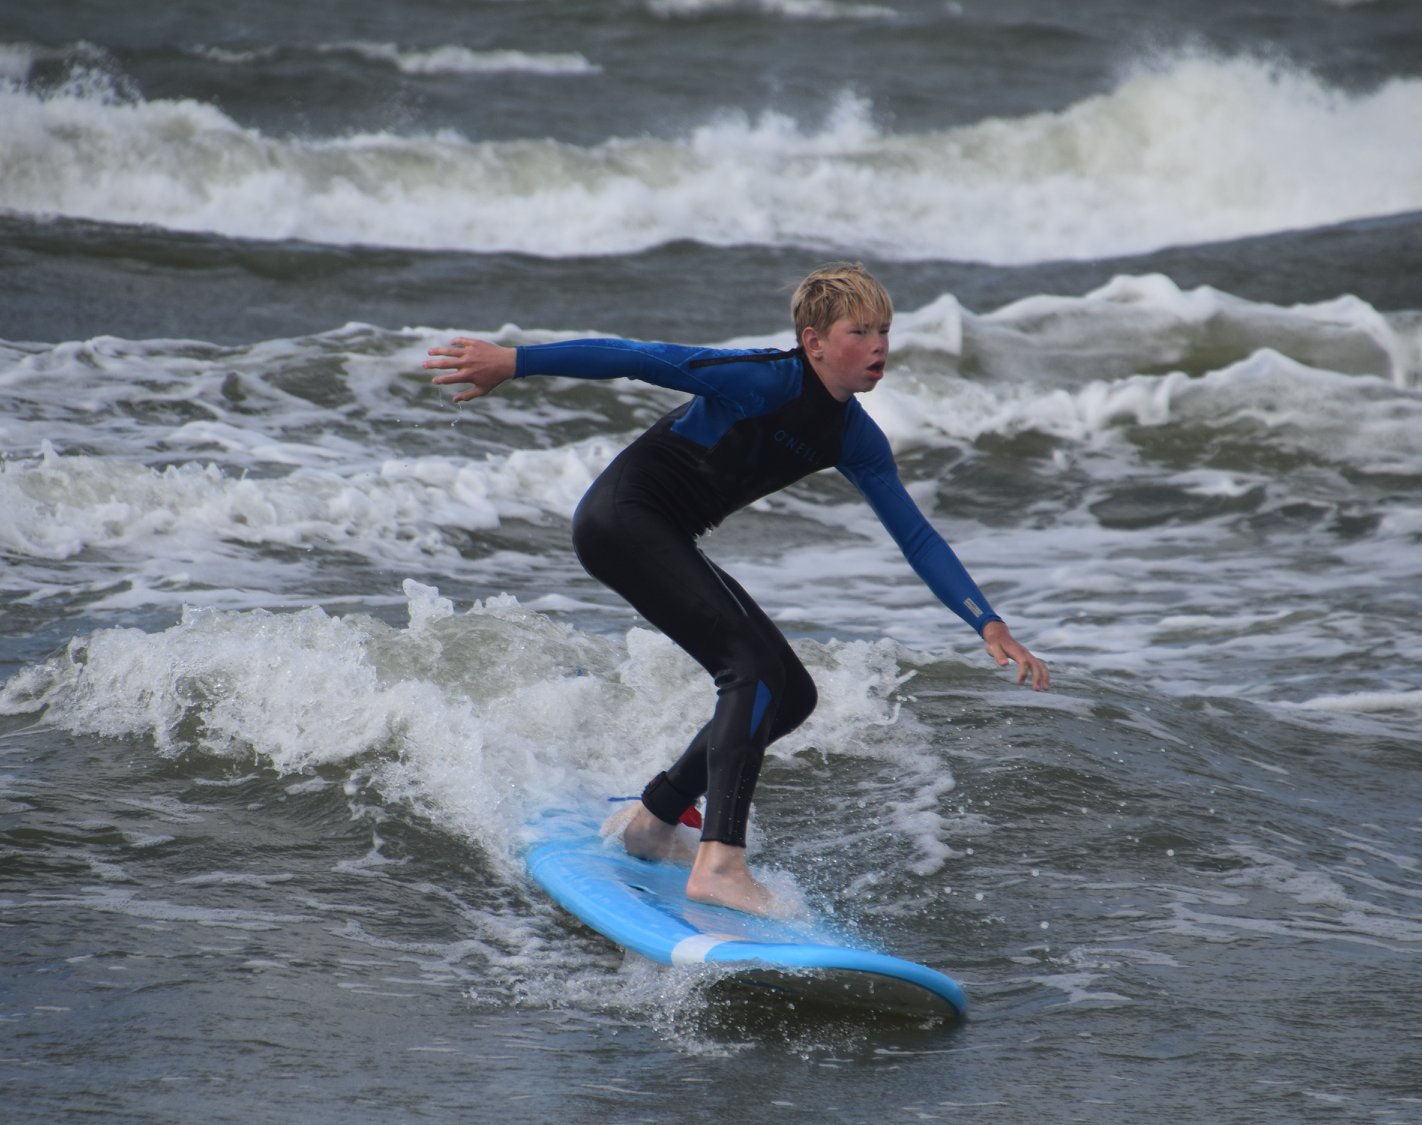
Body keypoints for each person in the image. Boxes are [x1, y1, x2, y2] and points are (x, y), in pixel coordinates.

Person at [424, 262, 1048, 917]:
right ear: (813, 342)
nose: (879, 345)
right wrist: (514, 361)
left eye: (884, 330)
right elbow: (639, 358)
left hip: (664, 532)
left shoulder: (856, 437)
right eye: (859, 331)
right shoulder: (763, 379)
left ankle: (653, 817)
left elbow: (916, 535)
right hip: (623, 517)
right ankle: (720, 863)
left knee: (792, 692)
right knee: (750, 670)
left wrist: (989, 623)